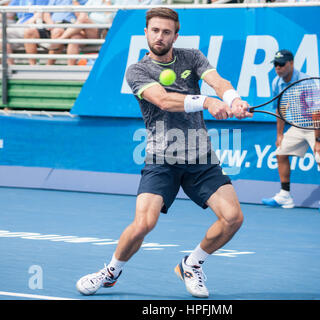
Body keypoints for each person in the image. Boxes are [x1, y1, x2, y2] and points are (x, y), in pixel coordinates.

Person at [76, 7, 252, 298]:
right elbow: (163, 100)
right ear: (146, 32)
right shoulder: (137, 70)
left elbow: (217, 80)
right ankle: (110, 272)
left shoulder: (192, 56)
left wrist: (233, 99)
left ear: (175, 35)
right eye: (155, 30)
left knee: (233, 218)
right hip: (162, 158)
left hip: (201, 159)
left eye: (166, 31)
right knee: (145, 223)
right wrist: (209, 103)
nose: (160, 36)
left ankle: (191, 265)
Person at [261, 49, 320, 214]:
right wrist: (280, 134)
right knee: (280, 152)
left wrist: (319, 141)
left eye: (281, 64)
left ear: (291, 63)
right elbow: (280, 109)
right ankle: (285, 195)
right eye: (275, 64)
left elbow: (317, 112)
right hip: (300, 122)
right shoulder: (276, 83)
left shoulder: (306, 82)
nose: (278, 68)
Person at [3, 0, 50, 65]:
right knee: (1, 33)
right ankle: (11, 67)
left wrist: (28, 23)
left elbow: (41, 13)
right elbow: (8, 13)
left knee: (29, 31)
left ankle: (33, 66)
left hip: (34, 25)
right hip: (20, 26)